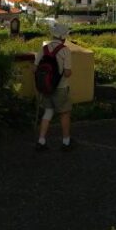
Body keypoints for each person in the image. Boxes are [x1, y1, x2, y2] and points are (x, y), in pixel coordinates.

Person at [35, 23, 73, 151]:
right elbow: (67, 73)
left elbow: (35, 68)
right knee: (64, 114)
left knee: (48, 112)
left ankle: (41, 141)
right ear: (63, 37)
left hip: (46, 87)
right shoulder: (65, 50)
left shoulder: (44, 49)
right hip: (61, 88)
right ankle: (66, 142)